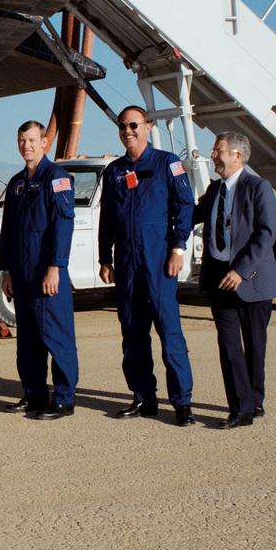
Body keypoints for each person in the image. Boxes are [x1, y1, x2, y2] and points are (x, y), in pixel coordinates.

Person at [98, 105, 196, 426]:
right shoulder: (113, 171)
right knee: (133, 334)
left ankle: (182, 403)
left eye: (134, 125)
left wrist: (178, 248)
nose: (128, 131)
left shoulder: (168, 163)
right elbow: (107, 219)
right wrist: (104, 257)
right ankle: (144, 398)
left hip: (158, 261)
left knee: (169, 332)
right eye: (123, 126)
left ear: (148, 127)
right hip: (126, 264)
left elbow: (185, 207)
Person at [0, 120, 79, 420]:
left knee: (56, 335)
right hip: (21, 272)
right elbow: (8, 230)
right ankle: (34, 394)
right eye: (21, 140)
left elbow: (62, 225)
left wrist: (56, 267)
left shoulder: (56, 177)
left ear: (44, 142)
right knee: (28, 339)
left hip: (47, 272)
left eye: (32, 140)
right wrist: (5, 270)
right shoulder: (17, 183)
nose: (26, 145)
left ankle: (64, 398)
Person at [197, 133, 276, 428]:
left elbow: (266, 233)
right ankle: (240, 408)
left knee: (255, 346)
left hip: (251, 278)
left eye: (218, 151)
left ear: (237, 156)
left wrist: (241, 270)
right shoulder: (214, 189)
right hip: (219, 277)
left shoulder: (258, 187)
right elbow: (192, 213)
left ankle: (255, 400)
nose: (213, 155)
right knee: (229, 345)